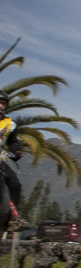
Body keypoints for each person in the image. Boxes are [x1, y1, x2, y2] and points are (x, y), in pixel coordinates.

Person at [0, 91, 27, 230]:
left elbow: (13, 141)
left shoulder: (9, 124)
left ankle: (13, 218)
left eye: (3, 103)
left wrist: (17, 151)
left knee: (15, 185)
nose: (0, 106)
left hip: (1, 158)